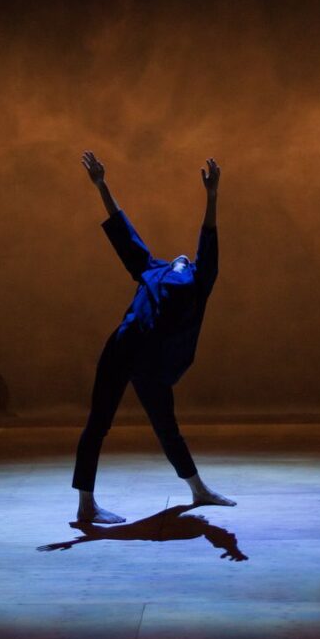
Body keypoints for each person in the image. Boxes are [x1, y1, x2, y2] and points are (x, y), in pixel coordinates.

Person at [72, 151, 236, 523]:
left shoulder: (197, 281)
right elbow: (122, 232)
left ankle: (198, 489)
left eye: (188, 258)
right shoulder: (152, 268)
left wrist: (212, 198)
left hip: (154, 362)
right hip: (125, 345)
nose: (181, 256)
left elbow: (208, 242)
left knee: (167, 427)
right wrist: (102, 186)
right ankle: (85, 504)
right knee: (98, 422)